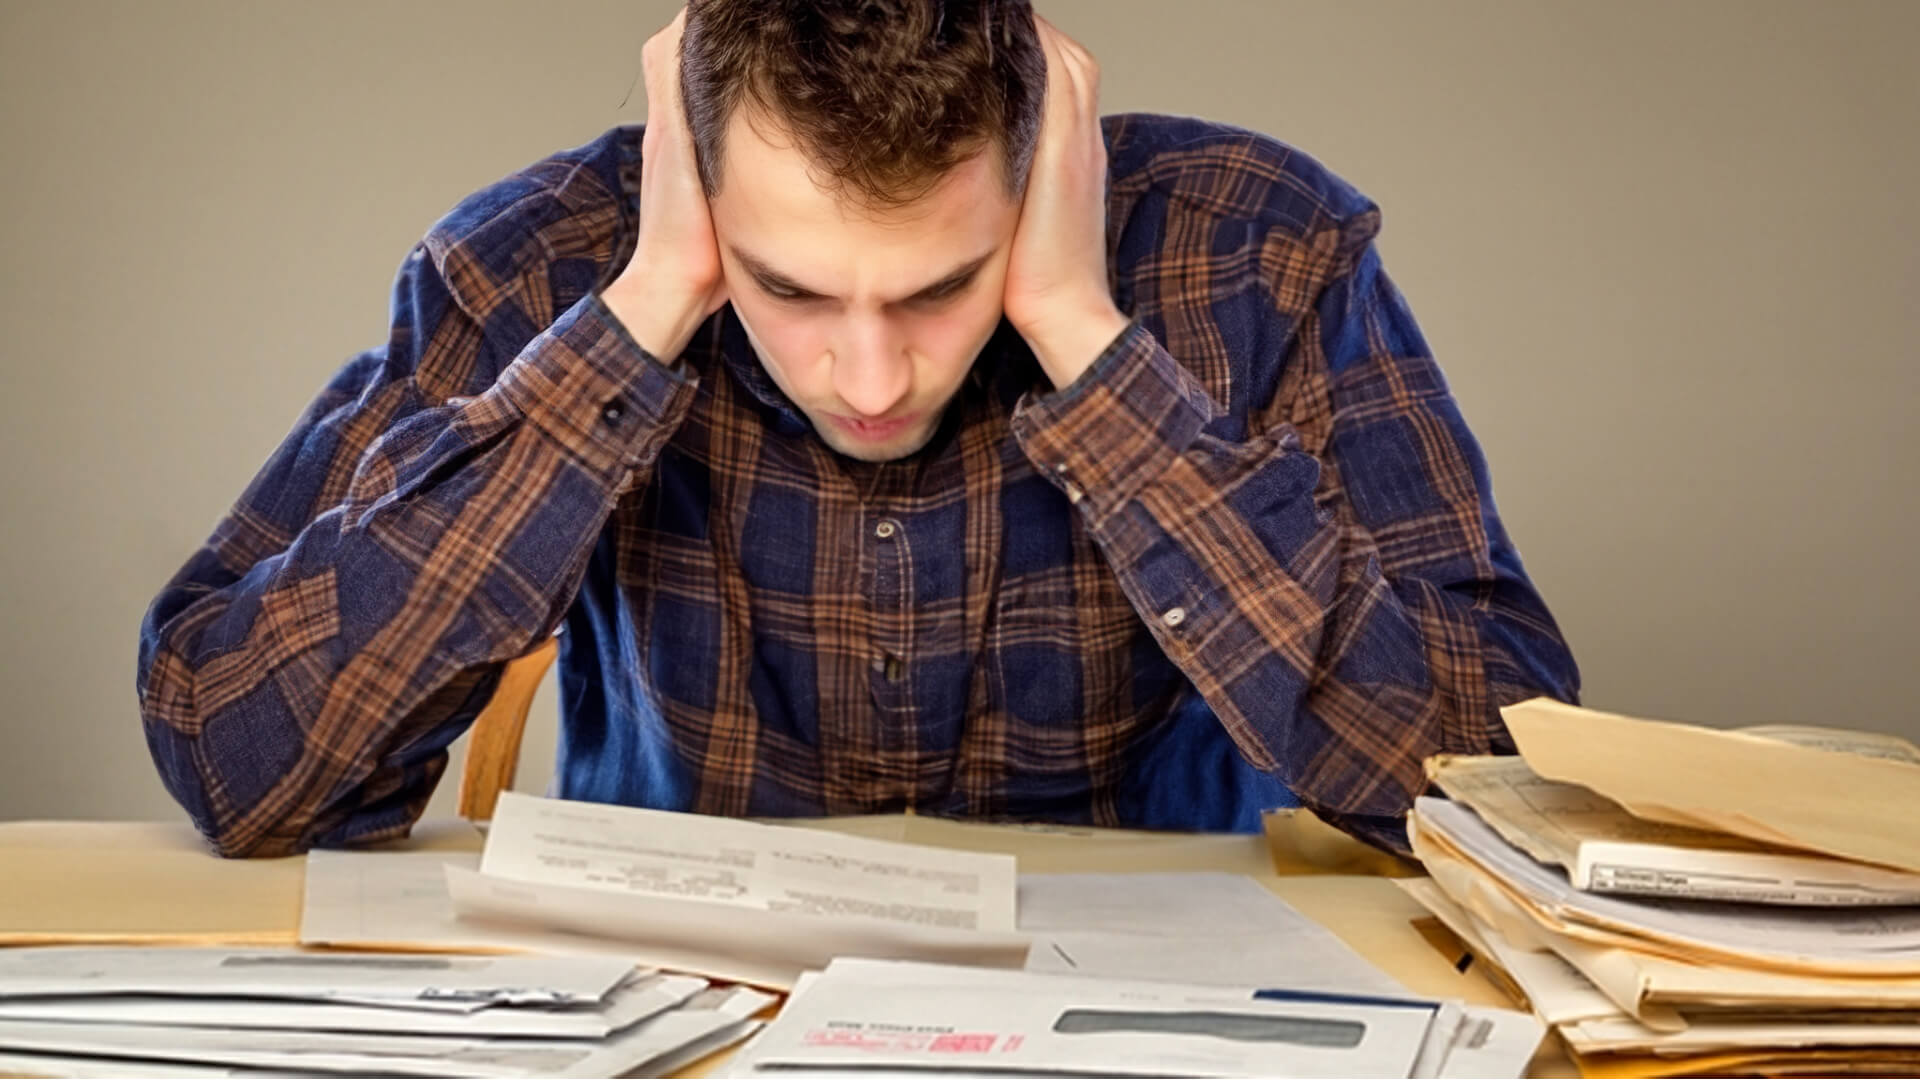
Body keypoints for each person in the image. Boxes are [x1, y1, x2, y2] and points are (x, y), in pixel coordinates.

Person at [137, 0, 1579, 860]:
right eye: (788, 285)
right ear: (687, 180)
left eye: (945, 285)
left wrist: (1088, 340)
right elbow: (240, 761)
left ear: (1043, 172)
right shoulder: (544, 265)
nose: (873, 376)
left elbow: (1502, 776)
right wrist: (645, 311)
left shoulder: (1260, 249)